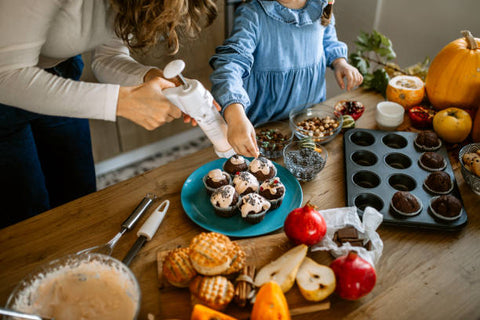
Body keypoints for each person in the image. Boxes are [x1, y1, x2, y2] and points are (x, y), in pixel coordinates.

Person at [0, 0, 218, 228]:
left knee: (79, 200)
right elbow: (6, 76)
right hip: (5, 99)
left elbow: (108, 56)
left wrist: (152, 79)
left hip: (61, 75)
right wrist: (121, 102)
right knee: (27, 216)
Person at [209, 0, 363, 157]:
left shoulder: (320, 5)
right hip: (264, 126)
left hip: (309, 120)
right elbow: (230, 64)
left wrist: (340, 62)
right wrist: (234, 114)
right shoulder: (252, 13)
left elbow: (328, 41)